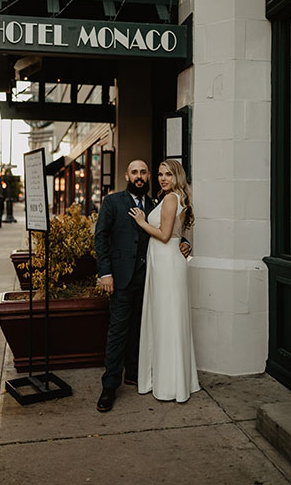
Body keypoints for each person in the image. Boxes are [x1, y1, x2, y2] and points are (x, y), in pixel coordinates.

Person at [94, 159, 190, 412]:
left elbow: (173, 230)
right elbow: (101, 236)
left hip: (152, 277)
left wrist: (186, 244)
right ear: (127, 175)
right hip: (122, 277)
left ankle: (135, 375)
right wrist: (105, 273)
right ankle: (109, 386)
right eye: (134, 172)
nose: (140, 176)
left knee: (142, 327)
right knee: (118, 331)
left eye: (144, 172)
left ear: (148, 177)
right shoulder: (113, 201)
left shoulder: (155, 203)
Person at [129, 159, 200, 402]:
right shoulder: (174, 197)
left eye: (168, 174)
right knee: (169, 318)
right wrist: (185, 243)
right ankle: (175, 381)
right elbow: (181, 234)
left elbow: (165, 234)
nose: (162, 178)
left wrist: (142, 222)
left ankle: (170, 385)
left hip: (167, 262)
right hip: (165, 261)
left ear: (177, 176)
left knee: (167, 319)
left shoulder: (171, 198)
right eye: (159, 174)